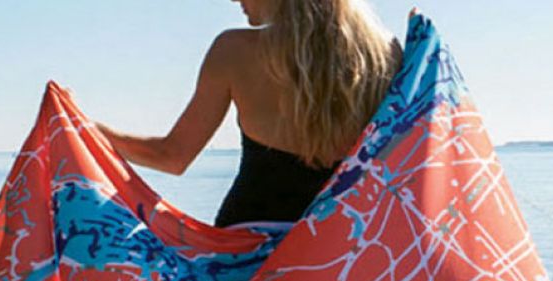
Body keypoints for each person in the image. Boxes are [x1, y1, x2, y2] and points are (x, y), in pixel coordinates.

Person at [95, 0, 410, 228]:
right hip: (342, 257)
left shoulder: (233, 51)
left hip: (245, 258)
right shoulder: (387, 53)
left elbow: (171, 157)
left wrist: (82, 128)